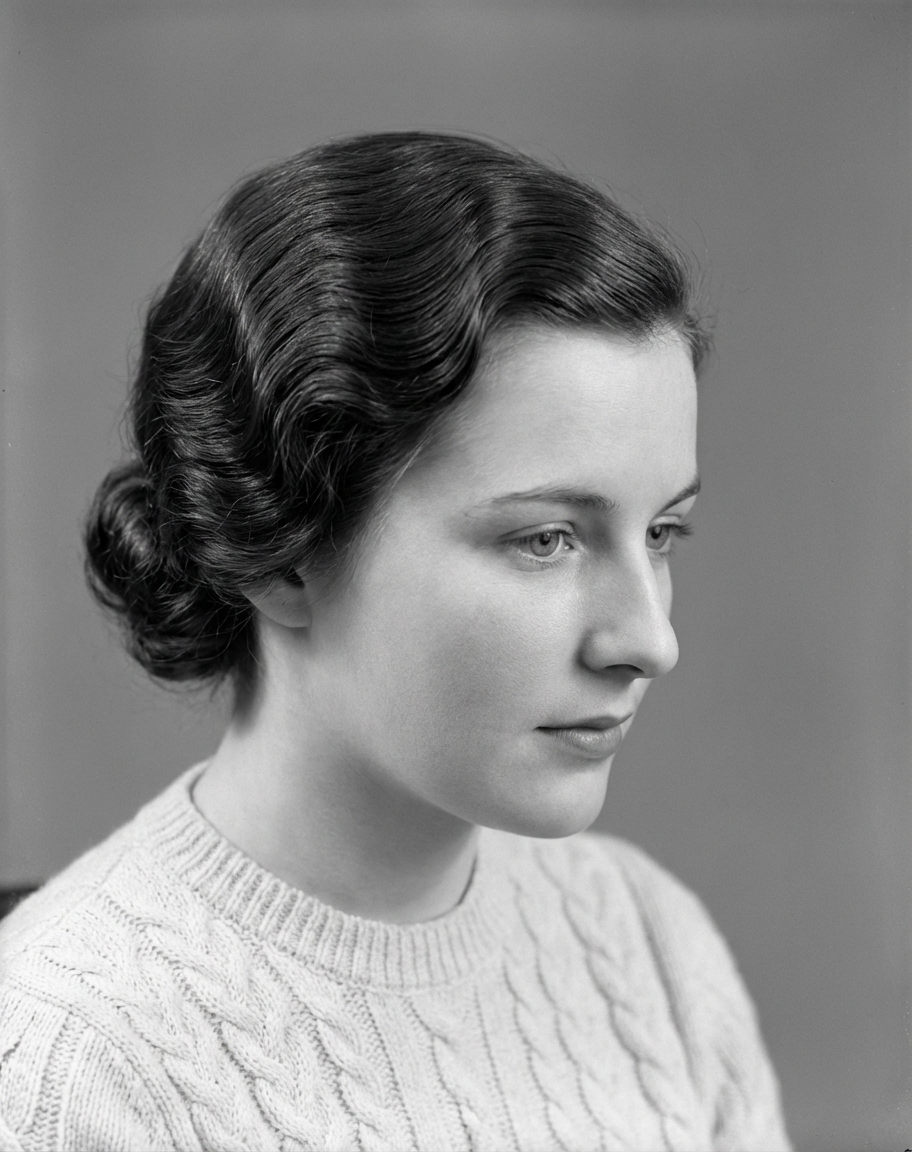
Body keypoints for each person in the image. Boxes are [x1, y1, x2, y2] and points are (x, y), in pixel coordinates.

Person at [0, 131, 790, 1152]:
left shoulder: (645, 944)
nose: (649, 639)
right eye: (545, 539)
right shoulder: (71, 1059)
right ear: (283, 550)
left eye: (662, 533)